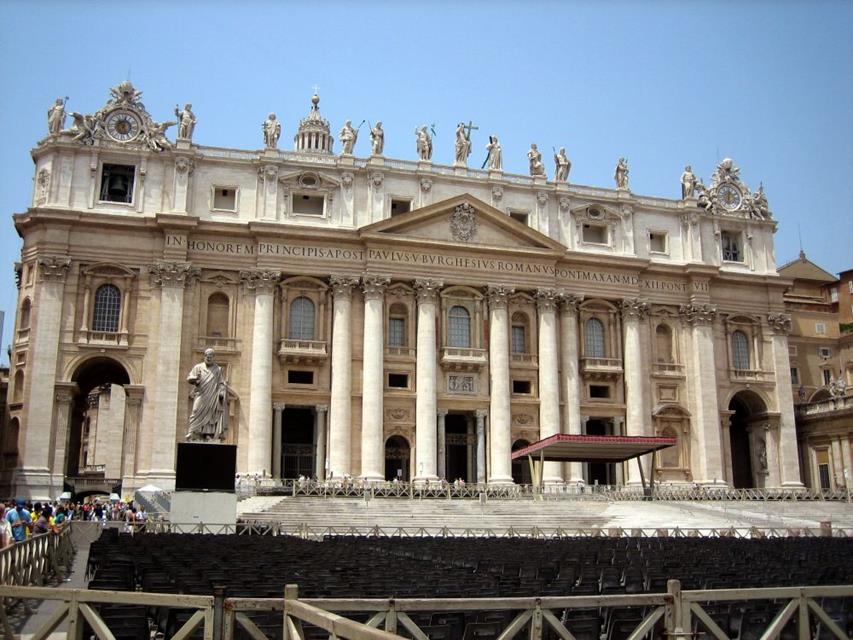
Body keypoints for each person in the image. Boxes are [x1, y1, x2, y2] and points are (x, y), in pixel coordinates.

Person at [186, 348, 229, 441]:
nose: (208, 358)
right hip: (201, 394)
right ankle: (192, 431)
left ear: (213, 357)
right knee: (195, 410)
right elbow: (189, 378)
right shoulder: (198, 367)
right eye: (206, 356)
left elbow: (221, 383)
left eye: (210, 357)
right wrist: (195, 379)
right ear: (204, 356)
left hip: (212, 397)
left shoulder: (218, 370)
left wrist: (222, 392)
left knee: (211, 416)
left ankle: (208, 434)